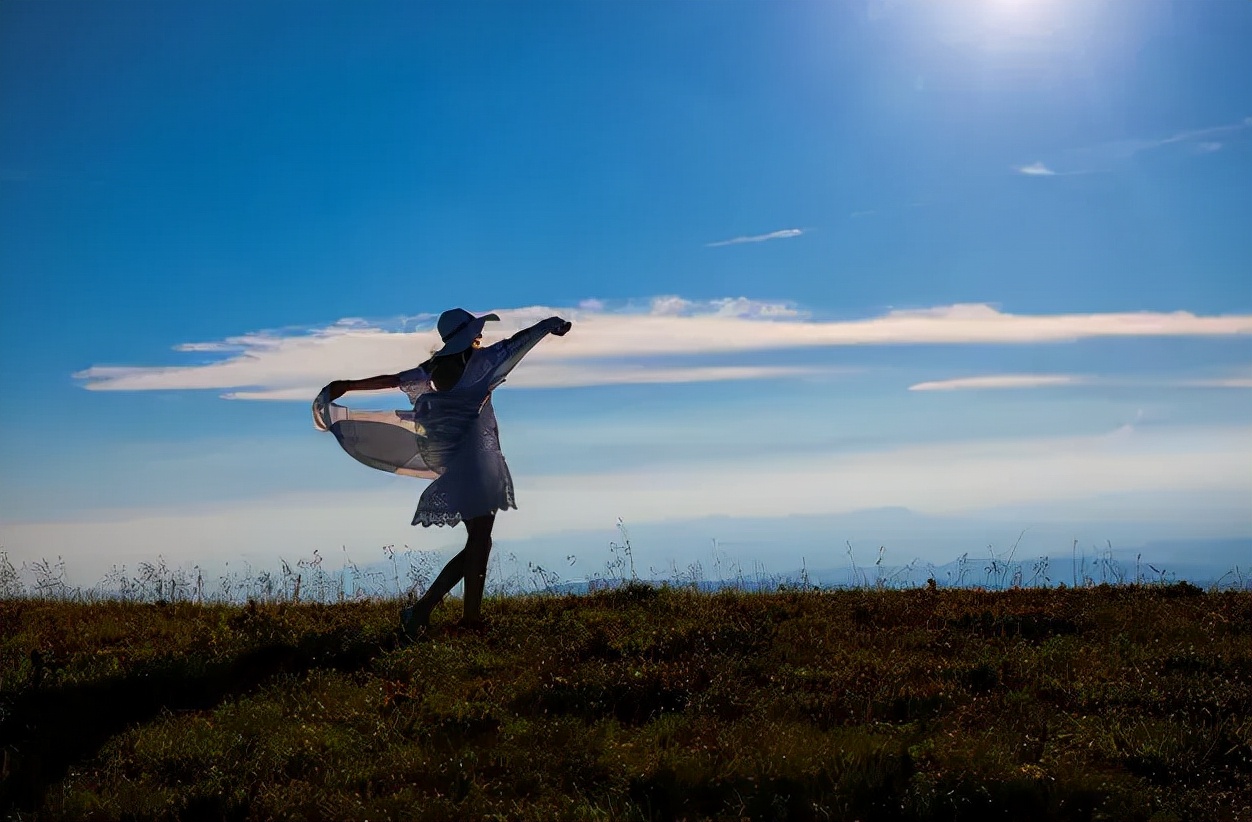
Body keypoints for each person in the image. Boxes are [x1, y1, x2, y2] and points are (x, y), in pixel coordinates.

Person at [320, 308, 572, 636]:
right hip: (478, 462)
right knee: (479, 540)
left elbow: (394, 379)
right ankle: (455, 618)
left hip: (458, 462)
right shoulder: (480, 363)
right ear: (470, 336)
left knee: (478, 541)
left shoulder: (432, 370)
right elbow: (517, 344)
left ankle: (434, 613)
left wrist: (347, 385)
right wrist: (550, 325)